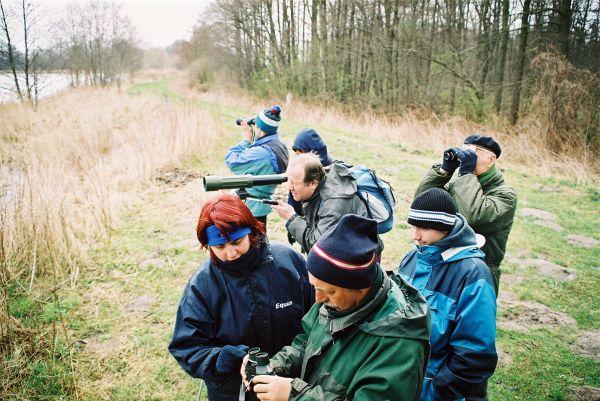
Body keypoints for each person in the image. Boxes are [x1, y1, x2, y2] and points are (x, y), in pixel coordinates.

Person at [242, 214, 430, 401]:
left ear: (361, 287)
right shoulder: (336, 300)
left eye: (329, 292)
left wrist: (294, 395)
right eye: (315, 287)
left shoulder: (399, 344)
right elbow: (308, 341)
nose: (318, 299)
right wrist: (276, 365)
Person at [169, 194, 313, 401]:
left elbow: (319, 318)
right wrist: (221, 359)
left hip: (293, 384)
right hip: (233, 390)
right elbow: (186, 346)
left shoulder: (289, 262)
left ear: (252, 232)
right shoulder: (202, 285)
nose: (231, 253)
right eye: (219, 247)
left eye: (237, 242)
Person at [398, 188, 498, 401]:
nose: (415, 236)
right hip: (404, 381)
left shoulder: (474, 274)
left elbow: (475, 354)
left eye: (424, 228)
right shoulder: (412, 258)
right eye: (413, 226)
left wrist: (436, 391)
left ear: (444, 228)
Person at [414, 134, 517, 294]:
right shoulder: (459, 185)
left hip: (477, 273)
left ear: (491, 159)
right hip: (445, 262)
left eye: (474, 152)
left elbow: (473, 218)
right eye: (465, 150)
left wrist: (466, 175)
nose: (468, 156)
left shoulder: (505, 195)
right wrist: (444, 171)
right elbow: (424, 207)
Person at [272, 153, 368, 254]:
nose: (290, 187)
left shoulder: (333, 206)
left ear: (312, 183)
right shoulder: (319, 181)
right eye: (289, 181)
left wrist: (292, 218)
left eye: (295, 183)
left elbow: (318, 248)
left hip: (357, 256)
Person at [225, 105, 289, 228]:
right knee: (260, 238)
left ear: (260, 129)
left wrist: (246, 140)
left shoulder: (261, 153)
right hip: (261, 207)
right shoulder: (280, 147)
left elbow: (231, 160)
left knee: (248, 239)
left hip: (249, 208)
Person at [288, 128, 334, 215]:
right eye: (296, 154)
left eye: (300, 154)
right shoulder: (326, 162)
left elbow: (294, 208)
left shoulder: (330, 172)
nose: (298, 158)